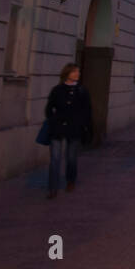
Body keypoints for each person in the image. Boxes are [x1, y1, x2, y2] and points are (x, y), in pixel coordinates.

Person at [45, 63, 92, 198]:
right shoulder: (57, 90)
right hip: (57, 128)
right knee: (55, 159)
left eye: (78, 71)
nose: (77, 74)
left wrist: (85, 126)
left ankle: (70, 180)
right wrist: (53, 120)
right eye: (74, 72)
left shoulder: (82, 90)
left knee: (71, 158)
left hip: (74, 128)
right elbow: (49, 108)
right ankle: (52, 188)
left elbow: (87, 110)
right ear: (67, 73)